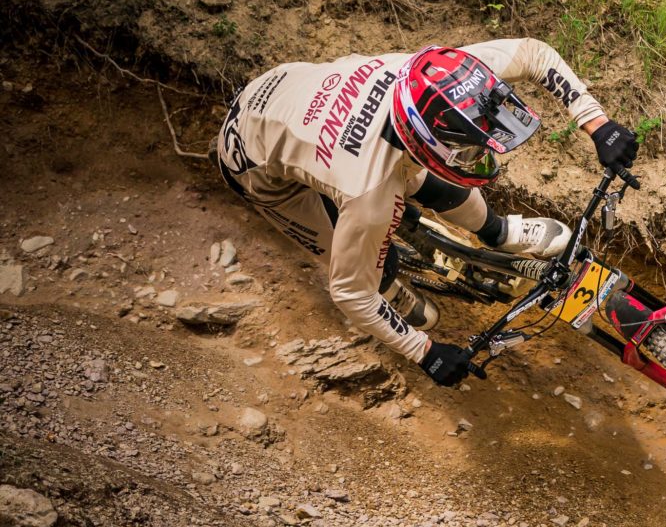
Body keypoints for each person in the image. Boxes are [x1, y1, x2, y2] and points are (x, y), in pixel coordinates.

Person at [213, 39, 638, 387]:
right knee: (376, 269)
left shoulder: (437, 76)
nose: (482, 153)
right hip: (255, 162)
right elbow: (349, 292)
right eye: (471, 148)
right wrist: (423, 351)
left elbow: (533, 53)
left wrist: (596, 124)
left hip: (287, 90)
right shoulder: (367, 191)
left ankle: (496, 230)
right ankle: (394, 287)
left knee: (427, 179)